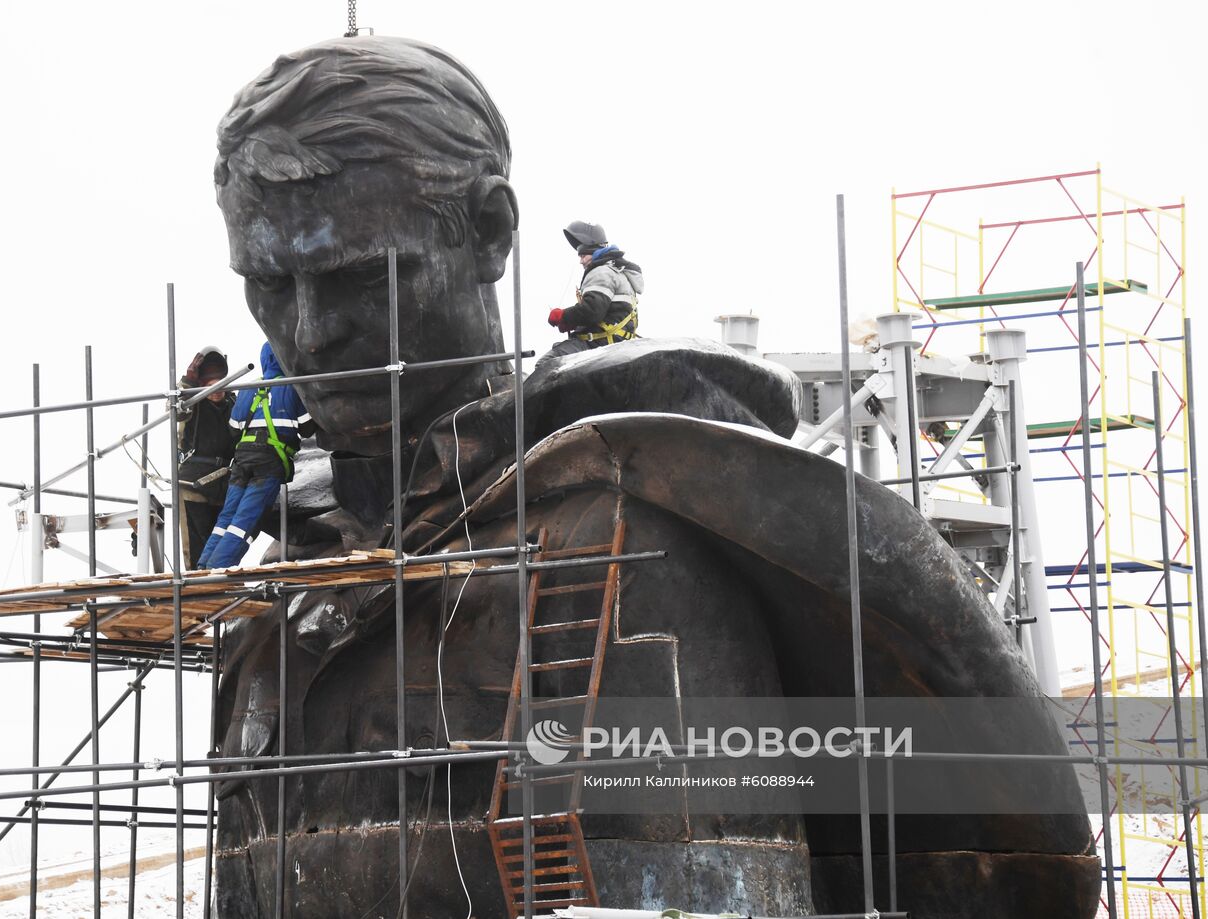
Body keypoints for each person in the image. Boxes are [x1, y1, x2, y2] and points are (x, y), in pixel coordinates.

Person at [208, 36, 1098, 919]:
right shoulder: (285, 598)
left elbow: (717, 894)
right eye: (269, 284)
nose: (314, 332)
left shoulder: (622, 537)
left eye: (363, 276)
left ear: (490, 232)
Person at [195, 342, 312, 569]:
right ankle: (218, 569)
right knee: (245, 519)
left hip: (242, 460)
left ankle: (203, 566)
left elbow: (234, 428)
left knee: (226, 517)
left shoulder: (249, 388)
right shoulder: (291, 386)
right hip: (268, 463)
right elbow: (307, 428)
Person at [542, 220, 643, 361]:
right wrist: (573, 322)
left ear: (595, 252)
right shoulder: (617, 271)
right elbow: (605, 312)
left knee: (547, 363)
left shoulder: (601, 272)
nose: (581, 261)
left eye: (583, 256)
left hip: (600, 343)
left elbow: (592, 311)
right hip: (617, 340)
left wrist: (563, 316)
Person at [175, 346, 238, 567]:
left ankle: (224, 588)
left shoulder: (233, 403)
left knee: (224, 548)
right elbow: (176, 409)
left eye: (219, 382)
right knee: (197, 550)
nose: (216, 388)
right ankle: (196, 589)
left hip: (225, 484)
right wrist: (187, 384)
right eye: (210, 383)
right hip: (195, 485)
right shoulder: (194, 402)